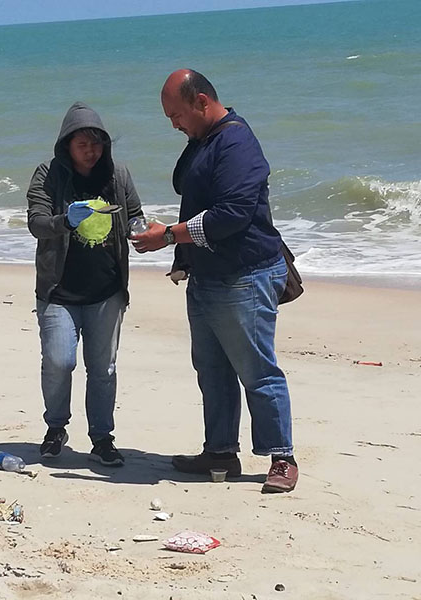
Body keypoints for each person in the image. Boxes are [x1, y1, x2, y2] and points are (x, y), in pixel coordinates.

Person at [132, 70, 298, 492]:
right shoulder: (204, 140)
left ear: (202, 101)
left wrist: (169, 235)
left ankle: (282, 457)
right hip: (207, 276)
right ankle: (221, 451)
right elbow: (192, 190)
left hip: (245, 275)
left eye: (178, 115)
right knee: (212, 369)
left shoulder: (237, 142)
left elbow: (233, 214)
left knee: (257, 370)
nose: (174, 124)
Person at [27, 102, 144, 467]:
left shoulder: (118, 175)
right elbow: (36, 223)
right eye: (83, 145)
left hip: (106, 291)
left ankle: (102, 437)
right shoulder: (48, 175)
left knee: (103, 368)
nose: (91, 152)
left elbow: (135, 214)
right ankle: (55, 427)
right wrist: (66, 220)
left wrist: (142, 231)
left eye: (97, 144)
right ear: (67, 145)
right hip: (59, 291)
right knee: (59, 361)